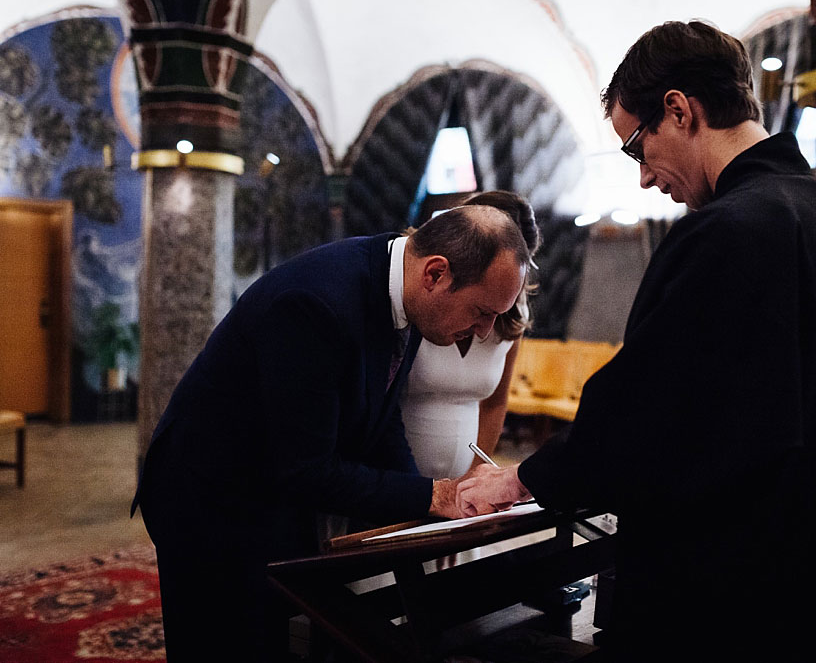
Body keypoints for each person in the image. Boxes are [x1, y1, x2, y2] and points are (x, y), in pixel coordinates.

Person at [456, 20, 816, 662]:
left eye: (636, 148)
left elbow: (652, 406)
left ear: (679, 110)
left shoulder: (731, 230)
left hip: (745, 590)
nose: (644, 178)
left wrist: (525, 481)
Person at [131, 204, 528, 662]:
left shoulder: (405, 290)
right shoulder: (316, 304)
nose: (484, 332)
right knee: (229, 643)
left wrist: (427, 504)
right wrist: (431, 496)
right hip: (211, 497)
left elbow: (381, 419)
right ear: (435, 274)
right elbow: (306, 471)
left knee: (277, 637)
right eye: (482, 312)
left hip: (267, 487)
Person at [401, 191, 539, 481]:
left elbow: (495, 402)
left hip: (461, 484)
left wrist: (475, 475)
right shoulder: (421, 299)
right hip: (395, 477)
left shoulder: (511, 312)